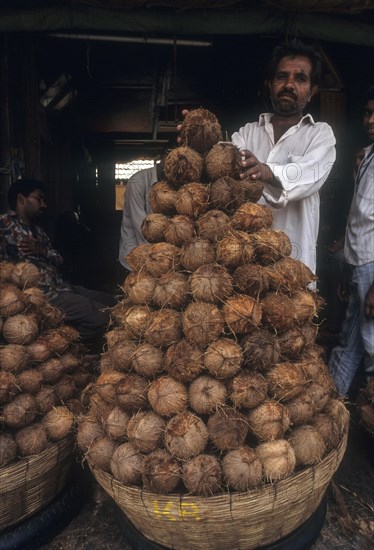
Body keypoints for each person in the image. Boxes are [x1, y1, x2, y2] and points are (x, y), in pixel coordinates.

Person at [178, 40, 336, 275]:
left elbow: (308, 174)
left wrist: (267, 171)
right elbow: (222, 161)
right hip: (243, 268)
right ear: (269, 84)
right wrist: (198, 144)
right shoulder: (248, 132)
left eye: (300, 78)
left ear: (313, 90)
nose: (289, 85)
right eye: (281, 77)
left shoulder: (321, 134)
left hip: (293, 272)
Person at [0, 178, 116, 343]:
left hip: (62, 285)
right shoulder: (4, 225)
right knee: (103, 317)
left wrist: (42, 250)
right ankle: (65, 343)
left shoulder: (39, 231)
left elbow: (59, 259)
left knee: (113, 303)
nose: (43, 205)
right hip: (44, 295)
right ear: (21, 199)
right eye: (39, 199)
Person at [328, 86, 374, 397]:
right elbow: (357, 217)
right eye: (368, 112)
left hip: (373, 268)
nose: (370, 119)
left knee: (372, 344)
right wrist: (346, 269)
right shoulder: (367, 156)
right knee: (350, 342)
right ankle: (331, 407)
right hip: (359, 266)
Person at [118, 160, 164, 274]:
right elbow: (142, 229)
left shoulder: (169, 182)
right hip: (135, 253)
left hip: (158, 256)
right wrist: (162, 257)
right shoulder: (137, 181)